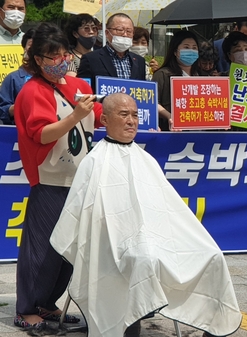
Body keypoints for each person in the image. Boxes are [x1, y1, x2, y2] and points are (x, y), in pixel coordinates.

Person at [49, 93, 242, 337]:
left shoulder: (146, 159)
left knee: (211, 254)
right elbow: (82, 217)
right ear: (105, 120)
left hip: (157, 236)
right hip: (112, 244)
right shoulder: (94, 161)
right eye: (123, 115)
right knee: (145, 259)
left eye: (135, 115)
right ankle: (130, 322)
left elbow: (168, 209)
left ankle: (212, 327)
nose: (131, 121)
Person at [13, 22, 102, 331]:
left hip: (79, 177)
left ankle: (48, 303)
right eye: (53, 55)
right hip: (50, 178)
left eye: (64, 53)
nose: (61, 59)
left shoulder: (79, 86)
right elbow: (41, 134)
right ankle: (27, 308)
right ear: (37, 59)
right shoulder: (32, 90)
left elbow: (98, 118)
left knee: (67, 249)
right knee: (42, 249)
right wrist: (76, 115)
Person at [77, 13, 146, 91]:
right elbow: (82, 90)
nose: (125, 34)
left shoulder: (139, 61)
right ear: (107, 33)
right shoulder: (91, 59)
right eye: (120, 30)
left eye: (129, 31)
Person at [152, 30, 199, 131]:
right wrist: (170, 116)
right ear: (175, 51)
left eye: (194, 48)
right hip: (170, 131)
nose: (191, 51)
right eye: (186, 47)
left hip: (196, 132)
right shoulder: (162, 74)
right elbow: (153, 102)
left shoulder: (199, 76)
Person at [0, 27, 33, 125]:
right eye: (31, 46)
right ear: (24, 48)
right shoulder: (13, 78)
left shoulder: (53, 78)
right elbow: (2, 111)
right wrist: (18, 107)